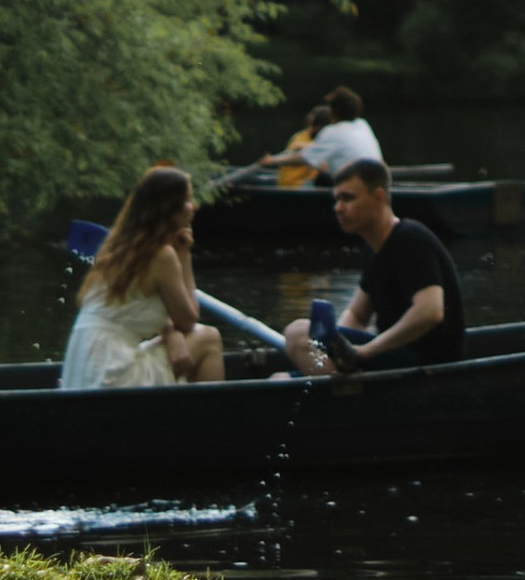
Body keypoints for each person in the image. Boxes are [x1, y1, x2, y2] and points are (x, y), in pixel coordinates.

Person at [280, 160, 463, 375]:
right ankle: (342, 385)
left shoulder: (410, 239)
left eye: (347, 198)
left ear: (378, 198)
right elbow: (358, 315)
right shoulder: (374, 249)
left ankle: (345, 398)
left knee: (298, 332)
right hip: (394, 358)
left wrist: (368, 350)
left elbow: (430, 311)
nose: (338, 208)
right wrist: (336, 346)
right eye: (337, 199)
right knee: (278, 378)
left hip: (425, 362)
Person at [60, 167, 226, 390]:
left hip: (83, 365)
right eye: (187, 199)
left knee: (194, 342)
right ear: (169, 209)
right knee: (209, 339)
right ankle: (211, 422)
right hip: (113, 373)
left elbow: (133, 311)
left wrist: (172, 334)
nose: (194, 206)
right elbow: (188, 318)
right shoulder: (161, 255)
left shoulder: (116, 246)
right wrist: (184, 255)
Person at [254, 86, 382, 183]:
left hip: (354, 185)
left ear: (335, 111)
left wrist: (272, 161)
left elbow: (304, 159)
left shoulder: (333, 132)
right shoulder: (363, 125)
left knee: (318, 180)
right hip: (374, 179)